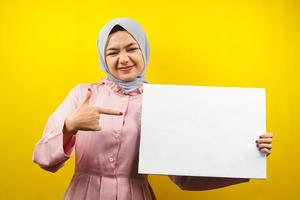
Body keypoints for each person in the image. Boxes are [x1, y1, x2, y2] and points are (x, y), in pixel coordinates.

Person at [32, 17, 273, 200]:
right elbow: (43, 159)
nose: (123, 59)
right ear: (103, 58)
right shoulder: (83, 94)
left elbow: (184, 176)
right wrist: (70, 126)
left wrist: (247, 157)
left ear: (144, 50)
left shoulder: (162, 101)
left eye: (131, 48)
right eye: (113, 52)